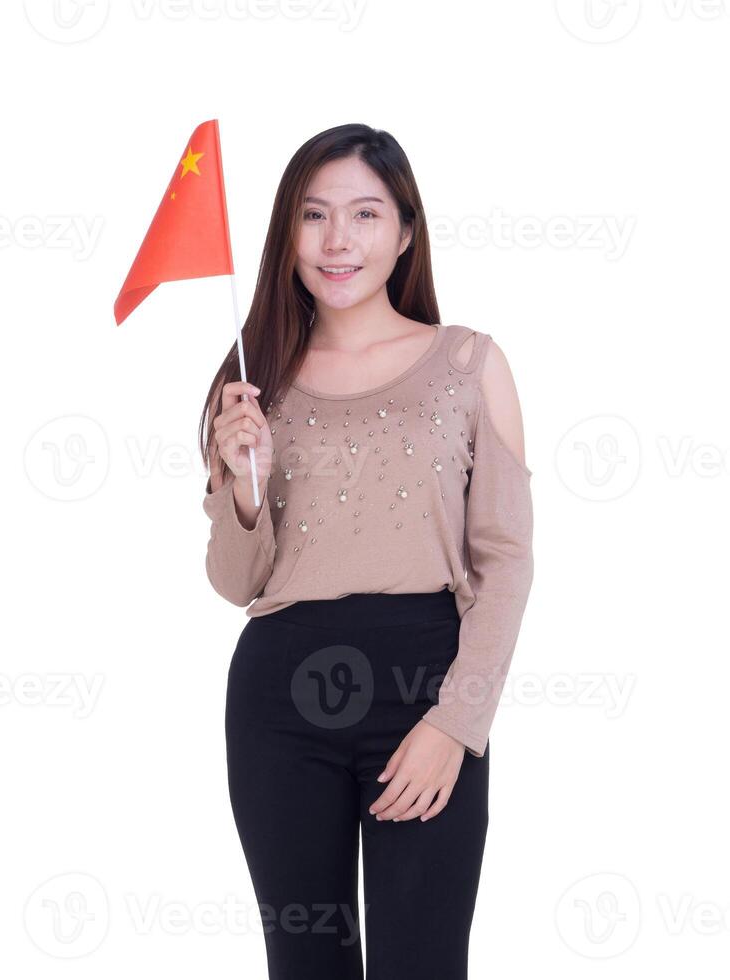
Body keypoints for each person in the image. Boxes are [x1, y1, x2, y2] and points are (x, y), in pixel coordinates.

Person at [200, 123, 534, 980]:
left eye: (363, 214)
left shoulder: (467, 363)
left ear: (405, 231)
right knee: (304, 962)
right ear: (288, 232)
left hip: (422, 692)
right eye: (313, 215)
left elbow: (503, 562)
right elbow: (235, 584)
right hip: (278, 706)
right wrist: (243, 485)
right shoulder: (251, 378)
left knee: (420, 963)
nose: (336, 240)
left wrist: (455, 724)